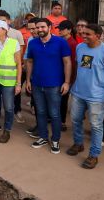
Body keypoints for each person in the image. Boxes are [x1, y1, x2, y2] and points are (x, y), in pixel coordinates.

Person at [67, 23, 104, 169]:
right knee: (76, 120)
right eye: (83, 33)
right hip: (78, 93)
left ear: (98, 36)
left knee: (96, 126)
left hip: (97, 97)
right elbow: (80, 68)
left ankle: (94, 155)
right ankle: (78, 144)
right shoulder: (80, 47)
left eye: (87, 34)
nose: (83, 36)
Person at [25, 18, 72, 154]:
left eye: (42, 27)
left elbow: (67, 62)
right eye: (37, 27)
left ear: (50, 27)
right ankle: (43, 136)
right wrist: (28, 80)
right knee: (40, 112)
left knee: (54, 113)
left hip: (55, 85)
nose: (40, 30)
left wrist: (67, 82)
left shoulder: (61, 42)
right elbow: (29, 62)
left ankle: (55, 139)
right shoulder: (33, 43)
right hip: (37, 84)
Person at [57, 19, 78, 130]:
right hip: (58, 74)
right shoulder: (60, 41)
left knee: (63, 99)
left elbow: (73, 63)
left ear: (69, 30)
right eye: (59, 29)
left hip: (67, 76)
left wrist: (70, 80)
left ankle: (62, 121)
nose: (60, 31)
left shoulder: (73, 43)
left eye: (62, 29)